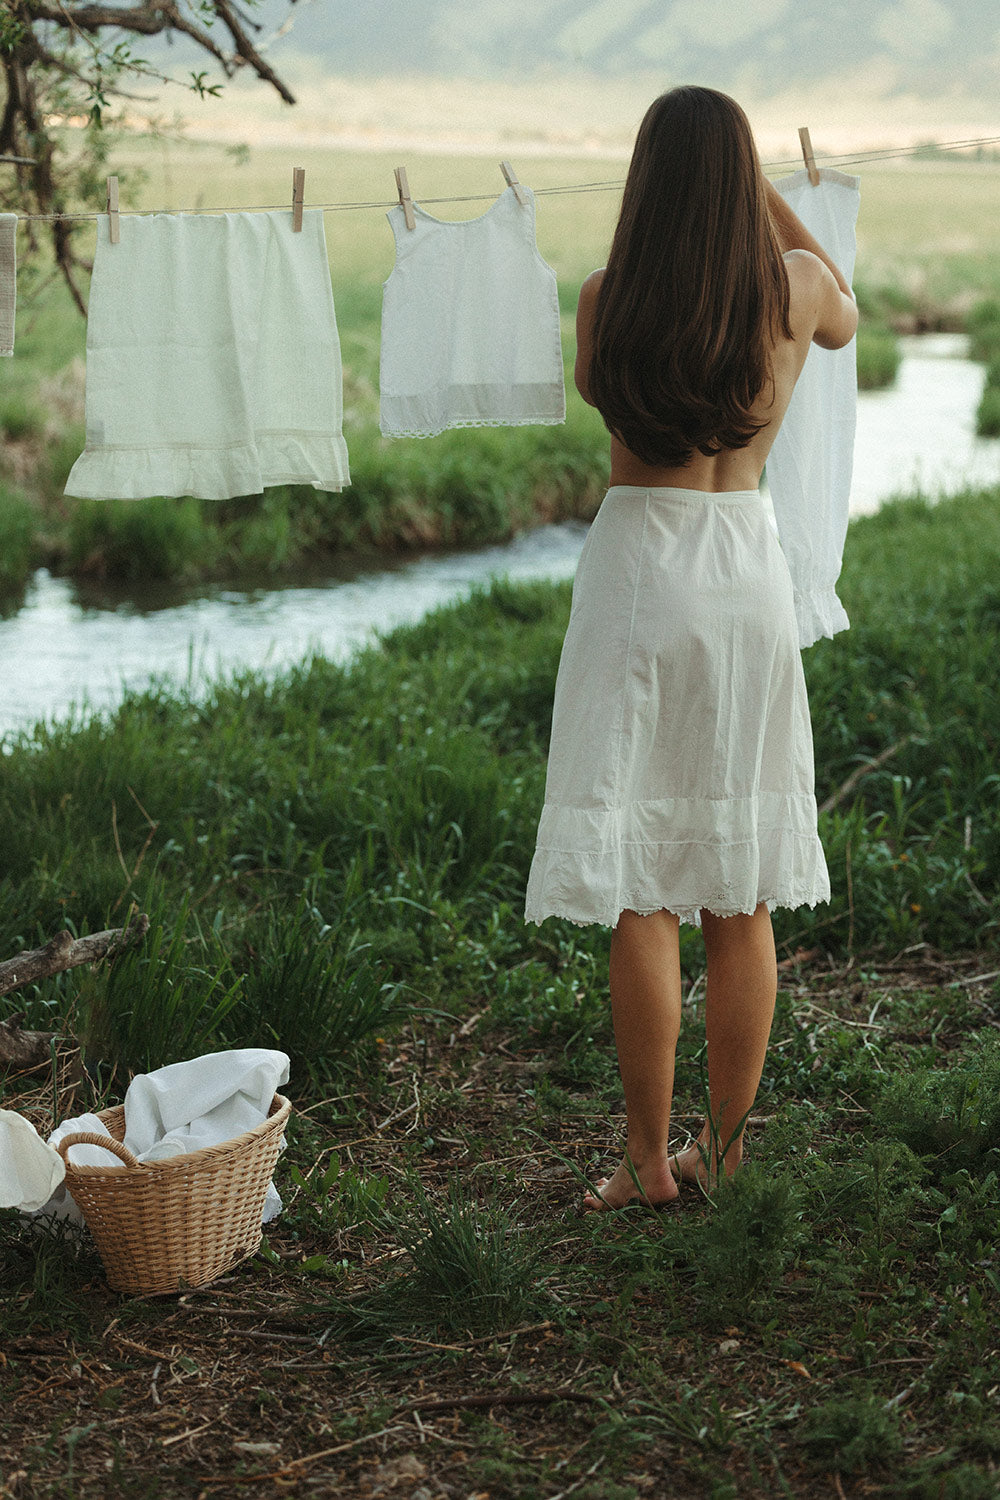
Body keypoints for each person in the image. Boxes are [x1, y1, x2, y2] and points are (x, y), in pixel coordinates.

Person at [523, 86, 858, 1210]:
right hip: (744, 573)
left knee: (641, 893)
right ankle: (723, 1157)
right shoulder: (795, 292)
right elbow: (847, 310)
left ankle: (640, 1165)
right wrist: (764, 191)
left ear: (646, 185)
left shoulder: (606, 300)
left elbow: (600, 397)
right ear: (736, 187)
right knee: (742, 889)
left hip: (637, 573)